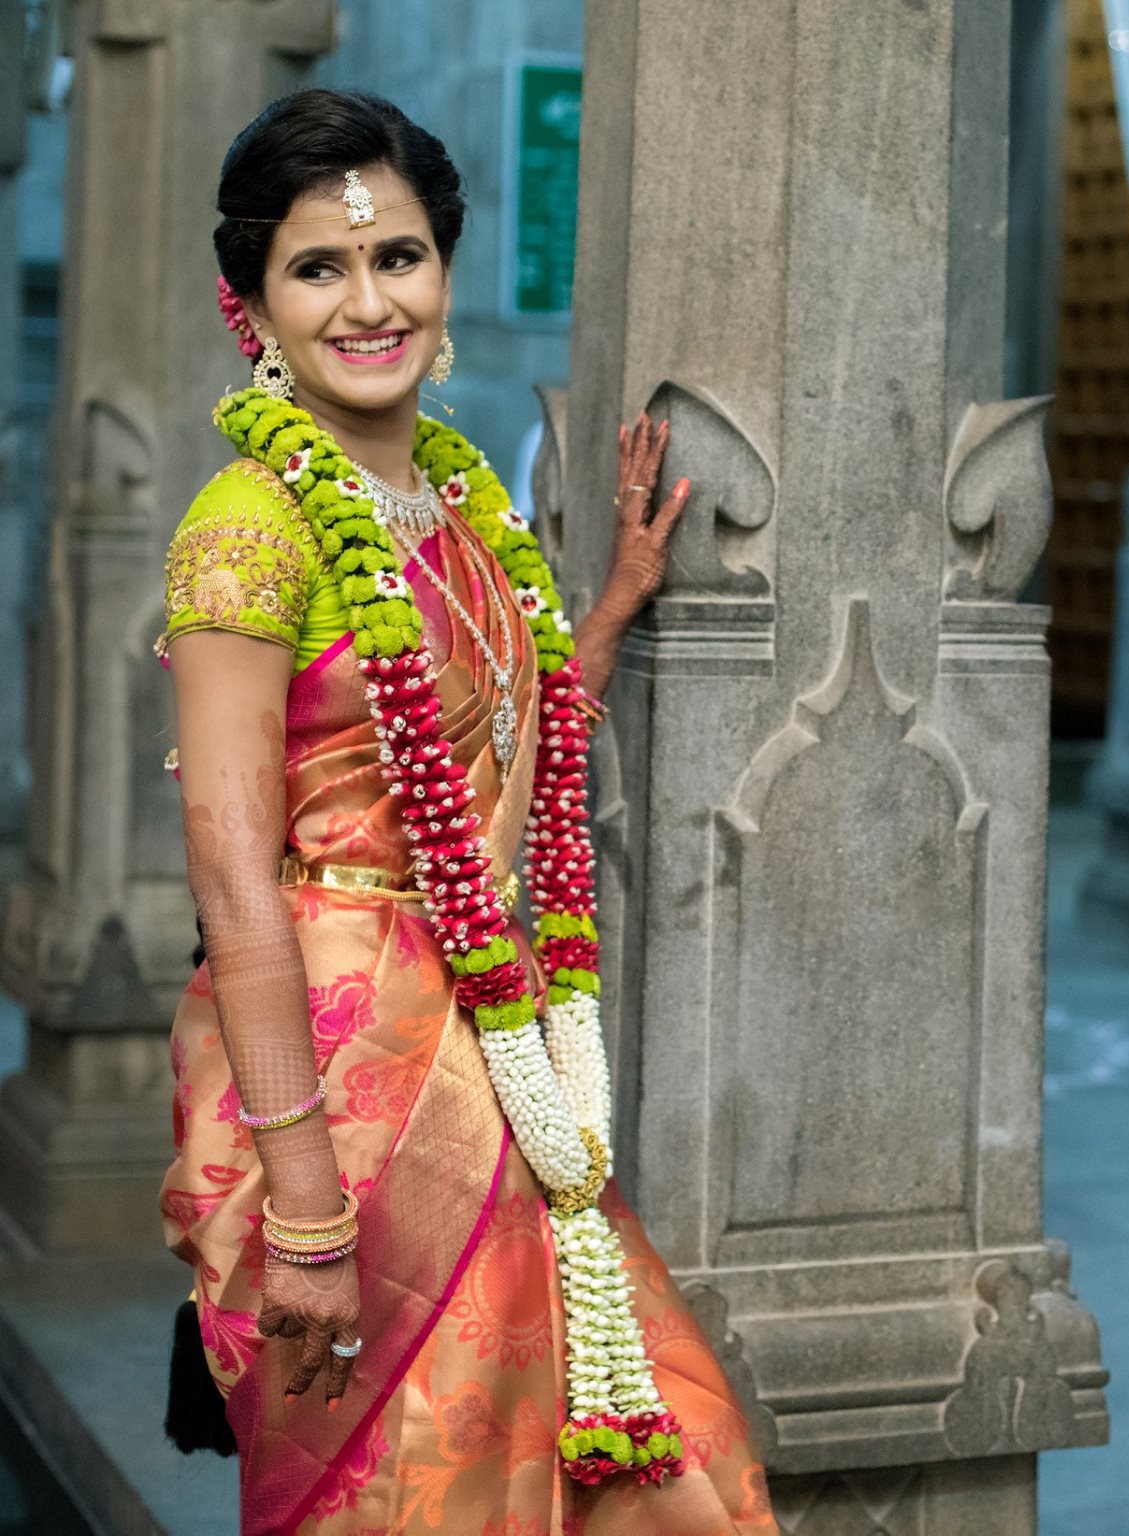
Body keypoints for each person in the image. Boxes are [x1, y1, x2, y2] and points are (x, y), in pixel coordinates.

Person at [157, 87, 780, 1534]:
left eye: (400, 258)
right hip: (348, 1077)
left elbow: (485, 731)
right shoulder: (246, 531)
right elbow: (235, 879)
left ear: (444, 272)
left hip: (500, 1053)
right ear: (250, 301)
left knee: (652, 1466)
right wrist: (304, 1210)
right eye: (319, 267)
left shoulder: (447, 495)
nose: (368, 303)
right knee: (418, 1489)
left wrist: (607, 610)